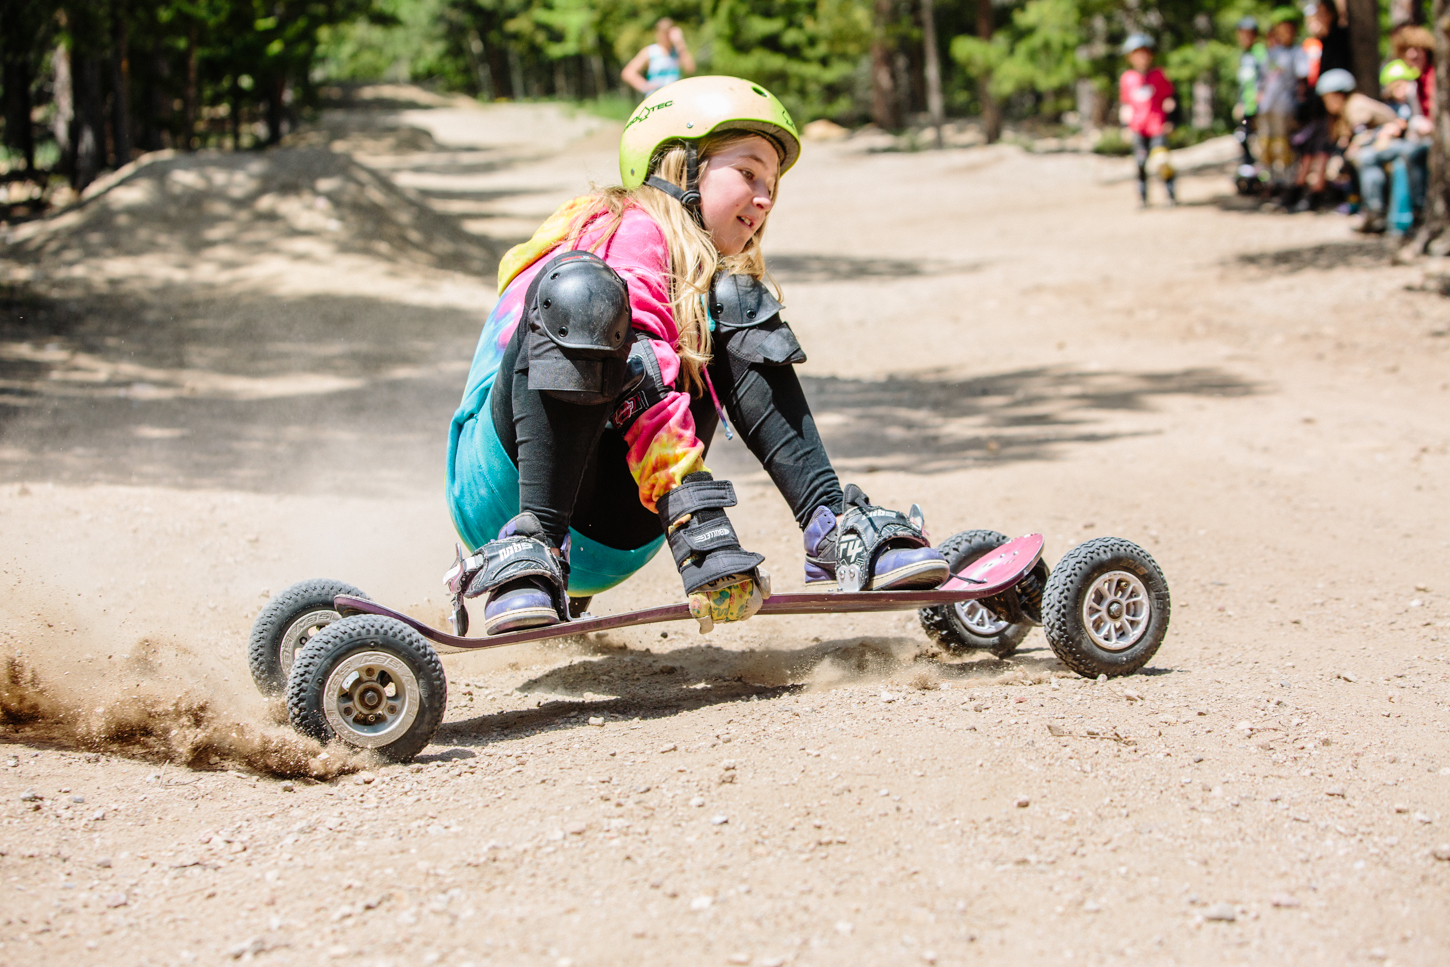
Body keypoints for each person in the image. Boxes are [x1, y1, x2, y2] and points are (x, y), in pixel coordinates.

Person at [444, 76, 948, 636]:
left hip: (617, 534)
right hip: (502, 492)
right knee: (585, 296)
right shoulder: (624, 226)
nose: (764, 199)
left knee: (733, 298)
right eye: (749, 172)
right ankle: (534, 542)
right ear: (680, 167)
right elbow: (638, 363)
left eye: (772, 185)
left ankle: (831, 524)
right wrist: (698, 523)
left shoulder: (707, 276)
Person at [1315, 68, 1406, 233]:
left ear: (1339, 95)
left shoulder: (1356, 105)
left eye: (1327, 99)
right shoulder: (1344, 111)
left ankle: (1375, 211)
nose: (1326, 104)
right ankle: (1360, 206)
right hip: (1379, 144)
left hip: (1396, 141)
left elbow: (1362, 135)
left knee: (1363, 157)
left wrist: (1343, 159)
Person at [1118, 34, 1177, 207]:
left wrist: (1172, 121)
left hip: (1158, 126)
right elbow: (1126, 105)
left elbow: (1170, 100)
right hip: (1138, 128)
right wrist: (1125, 127)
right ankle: (1142, 197)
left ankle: (1170, 194)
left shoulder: (1159, 75)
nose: (1142, 58)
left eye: (1145, 53)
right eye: (1137, 54)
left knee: (1162, 161)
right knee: (1140, 162)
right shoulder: (1127, 78)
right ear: (1130, 57)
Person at [1260, 9, 1308, 192]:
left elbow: (1302, 79)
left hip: (1285, 106)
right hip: (1267, 107)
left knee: (1285, 146)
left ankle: (1289, 183)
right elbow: (1263, 79)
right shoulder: (1272, 53)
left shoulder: (1298, 52)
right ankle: (1270, 181)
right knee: (1266, 145)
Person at [1233, 16, 1268, 190]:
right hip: (1247, 106)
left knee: (1258, 142)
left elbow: (1265, 75)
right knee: (1243, 138)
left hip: (1257, 107)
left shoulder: (1259, 51)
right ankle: (1250, 173)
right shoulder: (1244, 54)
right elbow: (1244, 84)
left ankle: (1263, 176)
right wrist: (1240, 103)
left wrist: (1259, 97)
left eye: (1248, 33)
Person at [621, 19, 695, 96]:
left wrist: (680, 42)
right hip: (656, 97)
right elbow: (628, 72)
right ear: (658, 33)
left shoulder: (678, 51)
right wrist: (645, 86)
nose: (666, 37)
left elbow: (690, 69)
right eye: (663, 33)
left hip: (675, 96)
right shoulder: (650, 51)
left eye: (668, 33)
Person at [1392, 25, 1437, 119]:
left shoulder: (1433, 75)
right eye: (1406, 50)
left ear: (1426, 51)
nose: (1412, 55)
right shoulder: (1415, 80)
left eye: (1417, 49)